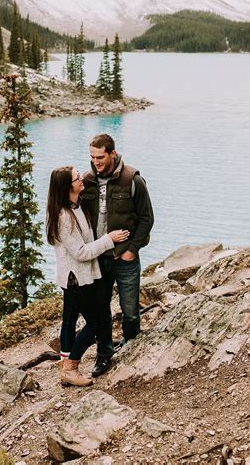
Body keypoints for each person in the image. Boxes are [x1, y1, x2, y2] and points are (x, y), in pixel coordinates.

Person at [46, 165, 129, 387]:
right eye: (76, 178)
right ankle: (71, 367)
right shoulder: (64, 216)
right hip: (76, 279)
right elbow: (80, 252)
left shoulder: (75, 206)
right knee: (94, 323)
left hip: (75, 277)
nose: (81, 178)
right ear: (66, 187)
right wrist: (109, 239)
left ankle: (65, 366)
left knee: (70, 319)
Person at [81, 134, 154, 377]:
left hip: (124, 257)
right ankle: (104, 355)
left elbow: (146, 218)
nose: (96, 162)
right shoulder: (87, 180)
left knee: (130, 308)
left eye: (100, 157)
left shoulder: (132, 179)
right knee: (100, 308)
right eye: (92, 157)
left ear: (113, 153)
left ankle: (132, 346)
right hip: (98, 258)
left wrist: (132, 250)